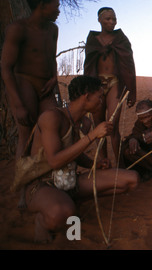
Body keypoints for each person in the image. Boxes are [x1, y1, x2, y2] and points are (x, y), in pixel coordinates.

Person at [11, 75, 139, 243]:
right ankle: (43, 220)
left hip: (69, 181)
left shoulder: (80, 122)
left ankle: (69, 199)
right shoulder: (51, 117)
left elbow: (74, 155)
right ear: (86, 97)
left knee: (131, 180)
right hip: (42, 184)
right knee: (62, 213)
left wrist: (95, 163)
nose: (102, 101)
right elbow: (55, 161)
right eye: (99, 97)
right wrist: (93, 136)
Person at [1, 0, 60, 162]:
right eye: (55, 6)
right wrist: (18, 104)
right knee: (26, 136)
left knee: (55, 126)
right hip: (24, 83)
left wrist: (55, 77)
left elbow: (52, 58)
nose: (58, 10)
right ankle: (24, 187)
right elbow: (6, 67)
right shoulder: (18, 29)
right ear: (42, 6)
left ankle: (48, 181)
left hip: (46, 87)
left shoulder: (52, 30)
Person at [84, 7, 137, 163]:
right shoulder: (93, 40)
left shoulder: (121, 39)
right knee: (99, 127)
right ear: (99, 20)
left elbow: (129, 65)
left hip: (115, 82)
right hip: (96, 84)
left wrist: (132, 92)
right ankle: (103, 163)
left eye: (114, 19)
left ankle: (120, 166)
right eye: (108, 19)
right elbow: (88, 66)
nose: (112, 22)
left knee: (112, 126)